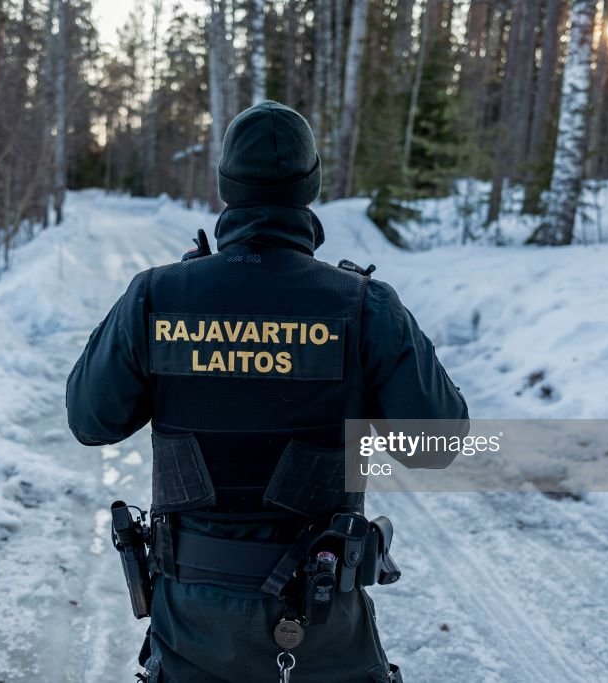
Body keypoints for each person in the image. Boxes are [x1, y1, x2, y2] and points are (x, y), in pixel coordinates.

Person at [67, 100, 468, 683]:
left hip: (192, 631)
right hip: (322, 628)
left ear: (227, 185)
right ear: (311, 186)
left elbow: (90, 419)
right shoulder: (361, 305)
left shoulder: (159, 296)